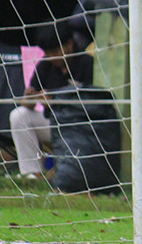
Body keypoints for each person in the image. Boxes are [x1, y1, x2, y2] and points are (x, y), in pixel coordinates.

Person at [9, 24, 93, 179]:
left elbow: (92, 102)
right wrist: (30, 98)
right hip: (53, 124)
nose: (51, 57)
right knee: (19, 115)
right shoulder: (45, 65)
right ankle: (31, 173)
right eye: (47, 53)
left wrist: (56, 100)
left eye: (55, 51)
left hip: (80, 128)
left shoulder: (87, 63)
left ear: (69, 44)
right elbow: (29, 101)